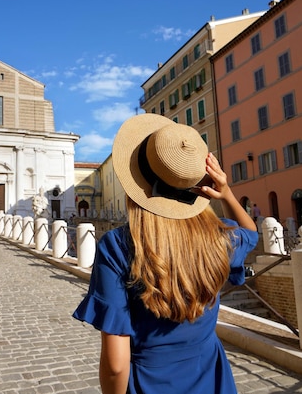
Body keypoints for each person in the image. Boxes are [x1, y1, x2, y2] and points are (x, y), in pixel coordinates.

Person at [73, 113, 258, 394]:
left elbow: (115, 364)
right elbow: (252, 233)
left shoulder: (117, 246)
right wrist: (227, 193)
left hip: (148, 384)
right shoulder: (221, 237)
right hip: (211, 379)